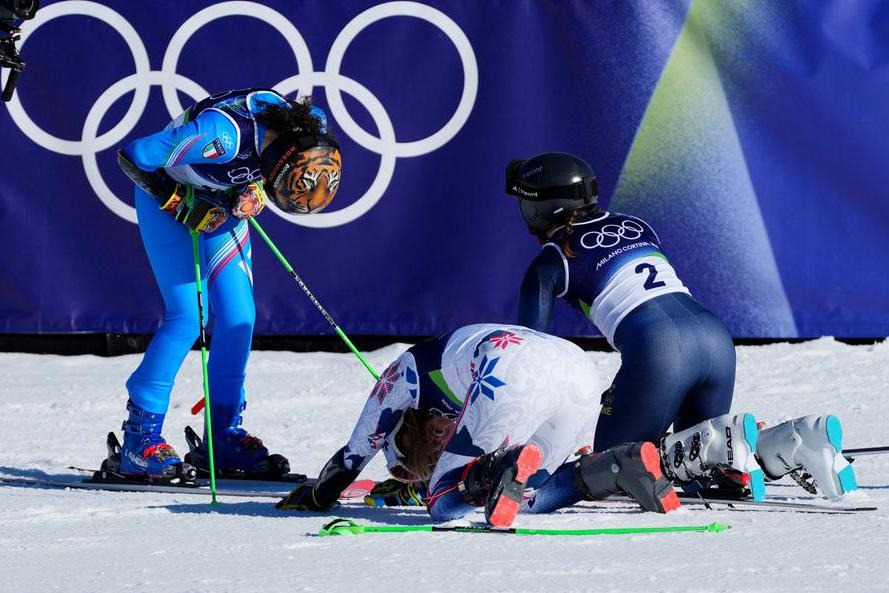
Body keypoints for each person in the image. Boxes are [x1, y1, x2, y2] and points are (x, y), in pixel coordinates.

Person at [507, 151, 857, 500]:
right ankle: (796, 440)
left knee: (613, 471)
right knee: (699, 464)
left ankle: (731, 445)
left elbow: (532, 352)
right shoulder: (635, 224)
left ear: (544, 208)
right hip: (715, 339)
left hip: (659, 350)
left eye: (526, 203)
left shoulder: (552, 260)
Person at [110, 88, 342, 481]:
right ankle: (139, 438)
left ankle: (222, 437)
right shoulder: (222, 134)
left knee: (239, 318)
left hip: (221, 206)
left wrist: (249, 191)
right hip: (169, 203)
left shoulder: (309, 126)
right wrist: (178, 201)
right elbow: (134, 155)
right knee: (188, 317)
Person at [275, 324, 683, 527]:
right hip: (577, 367)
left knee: (443, 504)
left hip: (514, 366)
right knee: (527, 495)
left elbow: (356, 449)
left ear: (403, 429)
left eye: (418, 449)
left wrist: (318, 495)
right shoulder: (448, 405)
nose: (436, 445)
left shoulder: (403, 376)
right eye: (431, 459)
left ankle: (495, 468)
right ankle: (618, 466)